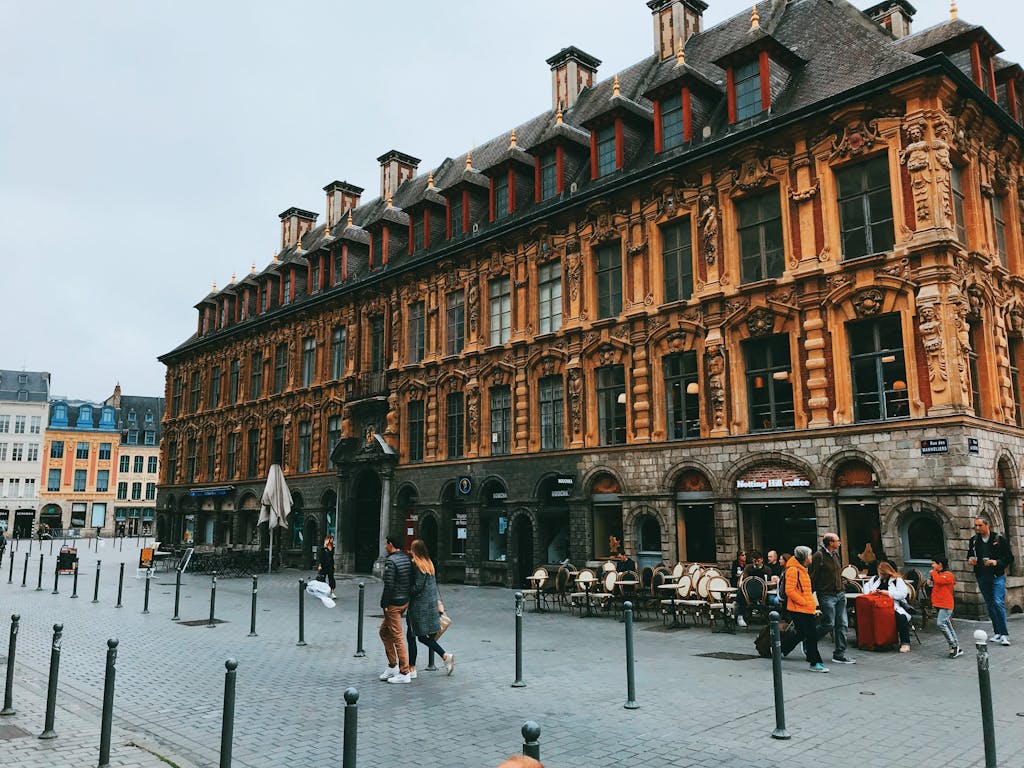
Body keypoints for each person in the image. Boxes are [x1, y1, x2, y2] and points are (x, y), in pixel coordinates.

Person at [405, 539, 455, 678]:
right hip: (429, 606)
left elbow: (417, 587)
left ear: (416, 551)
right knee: (421, 636)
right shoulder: (429, 564)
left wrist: (406, 590)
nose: (410, 551)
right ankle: (445, 656)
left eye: (412, 548)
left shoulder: (417, 564)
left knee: (412, 636)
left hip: (418, 607)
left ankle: (412, 668)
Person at [780, 546, 829, 672]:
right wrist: (804, 601)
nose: (811, 557)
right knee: (808, 634)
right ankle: (815, 662)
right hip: (798, 608)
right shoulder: (793, 570)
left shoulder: (803, 569)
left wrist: (808, 603)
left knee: (804, 633)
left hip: (805, 607)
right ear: (804, 557)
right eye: (810, 554)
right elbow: (790, 590)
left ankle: (782, 650)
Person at [809, 533, 855, 665]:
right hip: (826, 594)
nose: (839, 542)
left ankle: (840, 654)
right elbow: (813, 576)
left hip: (840, 594)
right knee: (829, 624)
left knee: (843, 624)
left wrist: (841, 584)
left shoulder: (835, 554)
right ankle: (810, 641)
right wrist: (810, 595)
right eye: (837, 540)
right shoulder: (819, 556)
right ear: (830, 543)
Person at [967, 515, 1013, 645]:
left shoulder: (998, 539)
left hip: (996, 576)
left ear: (988, 525)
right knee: (990, 604)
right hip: (982, 576)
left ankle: (1004, 634)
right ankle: (997, 632)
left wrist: (996, 562)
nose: (977, 528)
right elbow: (969, 555)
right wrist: (971, 560)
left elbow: (1009, 558)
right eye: (976, 526)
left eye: (980, 525)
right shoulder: (974, 540)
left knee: (998, 602)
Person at [378, 534, 414, 683]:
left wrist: (384, 603)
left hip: (394, 603)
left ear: (391, 544)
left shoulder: (391, 561)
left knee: (397, 636)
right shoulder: (406, 558)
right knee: (384, 632)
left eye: (387, 544)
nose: (385, 546)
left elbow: (389, 584)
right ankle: (392, 665)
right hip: (404, 600)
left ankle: (404, 671)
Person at [864, 560, 913, 652]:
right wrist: (872, 592)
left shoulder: (897, 580)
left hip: (893, 606)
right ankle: (871, 640)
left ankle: (905, 643)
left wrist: (888, 593)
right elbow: (866, 588)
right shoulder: (875, 579)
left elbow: (903, 594)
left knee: (901, 618)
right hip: (877, 607)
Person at [926, 555, 961, 658]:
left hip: (946, 604)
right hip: (939, 603)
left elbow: (940, 581)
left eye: (934, 563)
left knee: (941, 623)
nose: (932, 566)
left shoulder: (948, 575)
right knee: (947, 624)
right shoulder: (938, 574)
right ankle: (956, 645)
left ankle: (953, 645)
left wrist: (933, 574)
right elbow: (934, 584)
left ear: (940, 564)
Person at [317, 533, 337, 599]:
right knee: (322, 579)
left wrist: (334, 565)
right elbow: (320, 557)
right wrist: (320, 565)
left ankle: (332, 592)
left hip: (330, 565)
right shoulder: (323, 548)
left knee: (331, 579)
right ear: (328, 539)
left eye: (332, 539)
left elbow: (332, 557)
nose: (332, 540)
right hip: (324, 565)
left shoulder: (332, 547)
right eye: (331, 539)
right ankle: (323, 592)